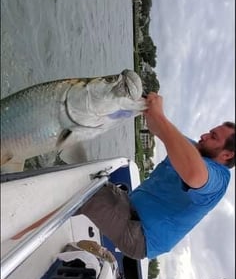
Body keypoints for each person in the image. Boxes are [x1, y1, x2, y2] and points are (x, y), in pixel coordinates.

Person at [78, 92, 235, 260]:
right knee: (87, 177)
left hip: (141, 235)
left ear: (227, 155)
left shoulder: (219, 179)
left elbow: (194, 174)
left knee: (80, 194)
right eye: (210, 132)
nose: (204, 136)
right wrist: (145, 102)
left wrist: (160, 118)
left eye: (213, 137)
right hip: (129, 205)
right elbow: (159, 127)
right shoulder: (194, 149)